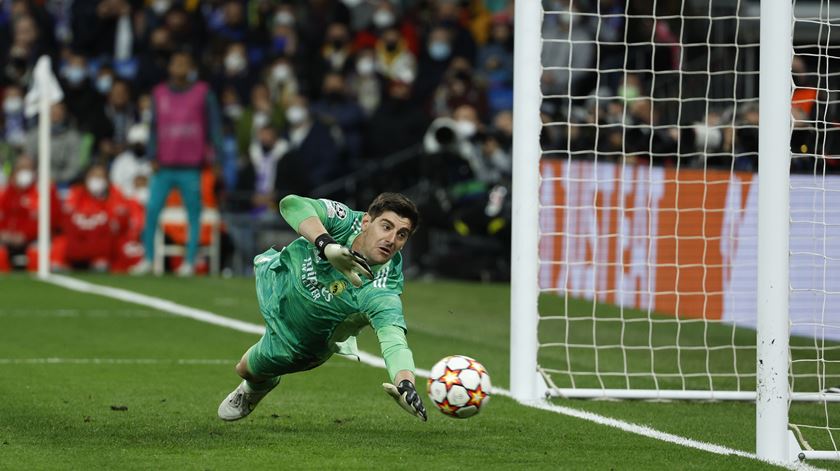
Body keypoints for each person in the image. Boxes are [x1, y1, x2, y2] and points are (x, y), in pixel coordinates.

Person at [217, 192, 427, 422]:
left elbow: (394, 339)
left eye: (402, 234)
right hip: (281, 279)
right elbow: (291, 204)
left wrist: (405, 383)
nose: (391, 239)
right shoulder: (346, 221)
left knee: (245, 369)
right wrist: (327, 245)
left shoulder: (382, 288)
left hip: (300, 339)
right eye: (386, 226)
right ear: (367, 222)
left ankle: (255, 388)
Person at [130, 50, 223, 277]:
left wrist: (217, 158)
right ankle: (149, 259)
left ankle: (189, 261)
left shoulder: (203, 93)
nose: (179, 67)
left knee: (193, 214)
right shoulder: (159, 93)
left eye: (184, 63)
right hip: (163, 165)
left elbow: (215, 127)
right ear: (170, 67)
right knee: (151, 210)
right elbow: (153, 127)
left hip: (192, 165)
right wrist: (152, 155)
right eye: (176, 63)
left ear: (191, 68)